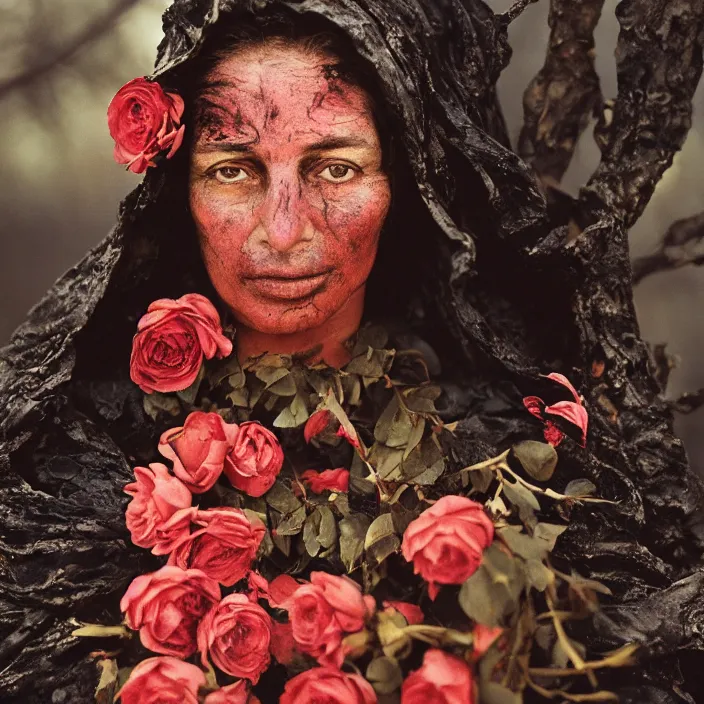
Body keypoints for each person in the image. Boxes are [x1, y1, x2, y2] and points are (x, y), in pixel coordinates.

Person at [1, 1, 702, 702]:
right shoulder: (70, 460)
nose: (281, 231)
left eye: (334, 169)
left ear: (409, 184)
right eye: (233, 170)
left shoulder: (509, 450)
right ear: (178, 191)